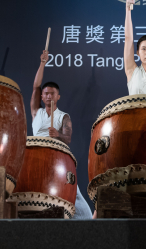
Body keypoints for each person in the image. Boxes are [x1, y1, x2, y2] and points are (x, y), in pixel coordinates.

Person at [31, 50, 92, 220]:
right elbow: (36, 86)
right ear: (42, 97)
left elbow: (68, 138)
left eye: (52, 93)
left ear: (58, 96)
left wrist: (57, 134)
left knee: (75, 200)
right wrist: (42, 63)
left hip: (57, 159)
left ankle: (84, 223)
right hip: (36, 157)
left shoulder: (64, 116)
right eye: (46, 93)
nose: (49, 96)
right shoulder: (37, 112)